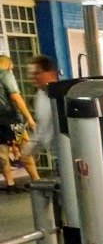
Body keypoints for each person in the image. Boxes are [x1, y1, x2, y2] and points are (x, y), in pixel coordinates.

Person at [0, 54, 39, 191]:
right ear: (8, 64)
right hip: (13, 120)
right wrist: (29, 117)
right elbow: (16, 97)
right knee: (25, 149)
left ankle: (10, 184)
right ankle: (37, 180)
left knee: (2, 152)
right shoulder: (6, 74)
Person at [23, 54, 57, 162]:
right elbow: (42, 129)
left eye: (37, 73)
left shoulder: (64, 94)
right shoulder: (39, 97)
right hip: (56, 155)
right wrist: (27, 149)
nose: (33, 79)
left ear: (51, 73)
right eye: (31, 75)